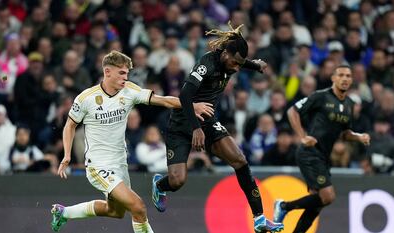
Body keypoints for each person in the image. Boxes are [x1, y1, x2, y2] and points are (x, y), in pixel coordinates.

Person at [50, 50, 214, 233]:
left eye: (127, 73)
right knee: (138, 206)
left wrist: (190, 105)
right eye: (121, 73)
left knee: (114, 211)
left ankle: (63, 213)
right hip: (98, 165)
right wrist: (66, 155)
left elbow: (164, 101)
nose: (125, 78)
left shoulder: (129, 90)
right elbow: (69, 126)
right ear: (107, 72)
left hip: (120, 163)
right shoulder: (86, 98)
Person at [152, 22, 284, 232]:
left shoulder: (232, 62)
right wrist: (195, 128)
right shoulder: (207, 63)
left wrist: (255, 65)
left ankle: (259, 218)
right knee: (177, 181)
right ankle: (160, 185)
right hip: (182, 123)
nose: (236, 67)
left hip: (209, 122)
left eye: (240, 64)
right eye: (235, 62)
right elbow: (185, 96)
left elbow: (241, 61)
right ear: (224, 54)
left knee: (240, 160)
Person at [273, 65, 370, 232]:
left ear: (352, 80)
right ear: (333, 78)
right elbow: (292, 111)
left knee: (316, 203)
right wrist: (302, 136)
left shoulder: (349, 104)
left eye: (348, 75)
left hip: (324, 157)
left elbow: (344, 133)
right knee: (328, 196)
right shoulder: (321, 96)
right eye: (341, 75)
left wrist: (358, 137)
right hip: (310, 153)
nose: (345, 78)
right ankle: (284, 206)